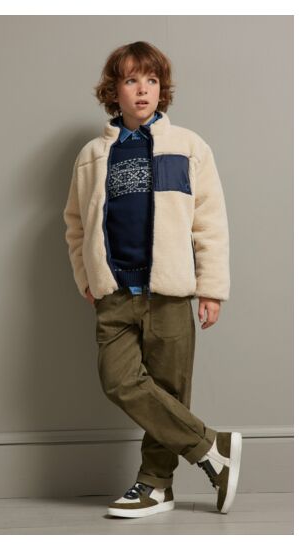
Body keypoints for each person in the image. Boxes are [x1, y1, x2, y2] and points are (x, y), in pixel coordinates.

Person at [63, 41, 242, 519]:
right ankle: (211, 447)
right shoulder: (93, 155)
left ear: (162, 89)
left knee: (169, 389)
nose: (142, 89)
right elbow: (75, 224)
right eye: (130, 80)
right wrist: (86, 275)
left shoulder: (188, 147)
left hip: (170, 293)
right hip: (115, 294)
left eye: (151, 80)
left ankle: (157, 485)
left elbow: (209, 222)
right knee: (118, 379)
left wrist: (211, 288)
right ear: (113, 91)